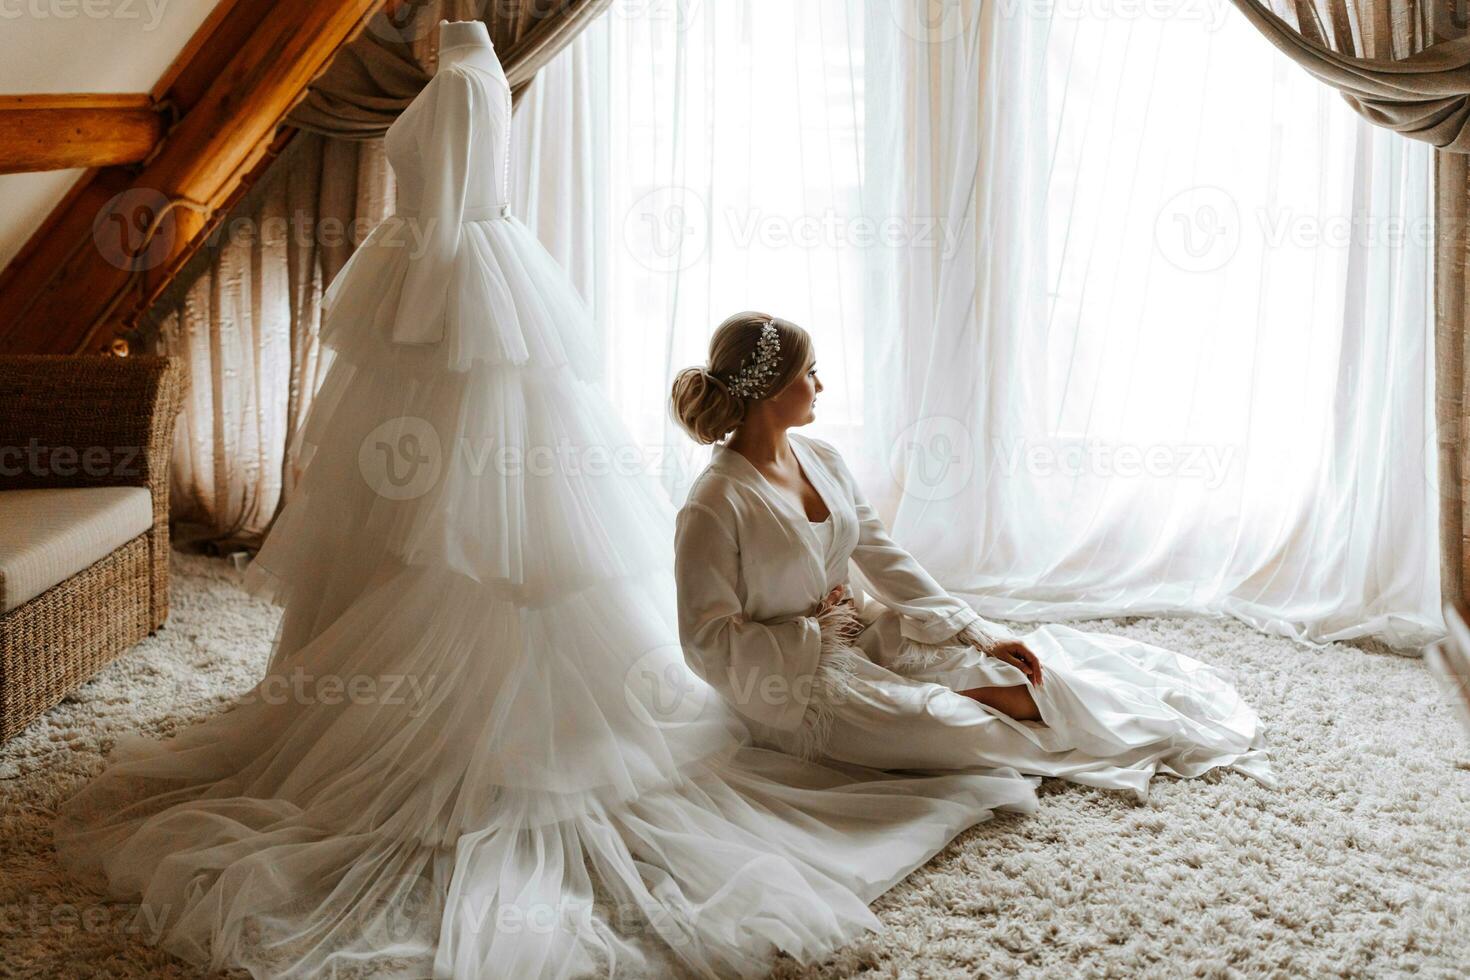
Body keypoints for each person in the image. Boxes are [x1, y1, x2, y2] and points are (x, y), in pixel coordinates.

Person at [52, 21, 1043, 979]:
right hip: (437, 299)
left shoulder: (474, 68)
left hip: (448, 295)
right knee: (412, 522)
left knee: (474, 526)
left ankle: (471, 720)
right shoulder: (462, 66)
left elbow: (448, 206)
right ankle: (370, 694)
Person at [670, 311, 1276, 797]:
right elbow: (705, 640)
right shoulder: (716, 501)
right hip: (793, 689)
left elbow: (882, 553)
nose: (821, 385)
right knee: (953, 728)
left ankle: (958, 688)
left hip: (865, 635)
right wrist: (814, 633)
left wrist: (978, 634)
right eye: (811, 372)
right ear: (770, 388)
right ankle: (932, 704)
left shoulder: (822, 458)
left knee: (1031, 680)